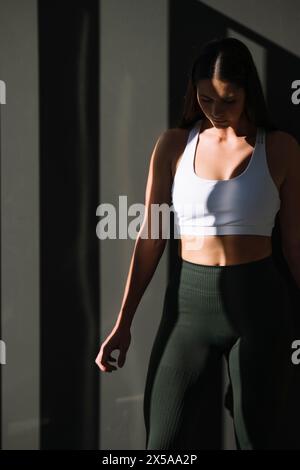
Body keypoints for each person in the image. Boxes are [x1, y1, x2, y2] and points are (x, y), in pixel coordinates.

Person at [95, 36, 300, 450]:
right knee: (162, 447)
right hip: (188, 309)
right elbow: (151, 236)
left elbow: (295, 244)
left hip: (259, 307)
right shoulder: (173, 145)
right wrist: (123, 323)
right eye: (206, 99)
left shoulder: (280, 148)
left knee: (258, 440)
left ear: (247, 92)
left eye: (228, 99)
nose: (217, 111)